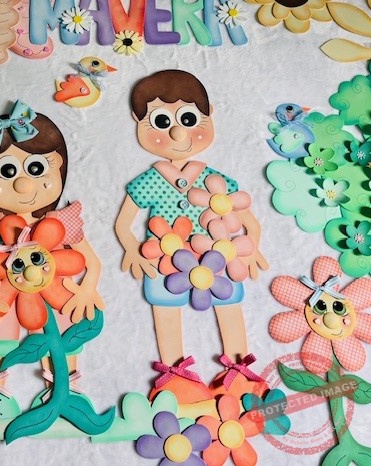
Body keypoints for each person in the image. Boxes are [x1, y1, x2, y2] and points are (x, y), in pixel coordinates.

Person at [0, 100, 104, 436]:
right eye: (7, 171)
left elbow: (91, 261)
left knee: (64, 328)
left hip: (55, 289)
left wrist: (87, 288)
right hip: (1, 290)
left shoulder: (60, 220)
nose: (22, 185)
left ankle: (64, 389)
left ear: (59, 166)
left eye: (35, 169)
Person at [115, 70, 269, 403]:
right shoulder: (151, 180)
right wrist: (134, 250)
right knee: (166, 310)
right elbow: (124, 223)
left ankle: (239, 373)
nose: (176, 132)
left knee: (228, 306)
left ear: (209, 113)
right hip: (164, 258)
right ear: (137, 121)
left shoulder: (214, 179)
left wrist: (251, 246)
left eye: (188, 118)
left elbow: (246, 217)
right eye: (160, 122)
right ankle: (175, 378)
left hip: (218, 255)